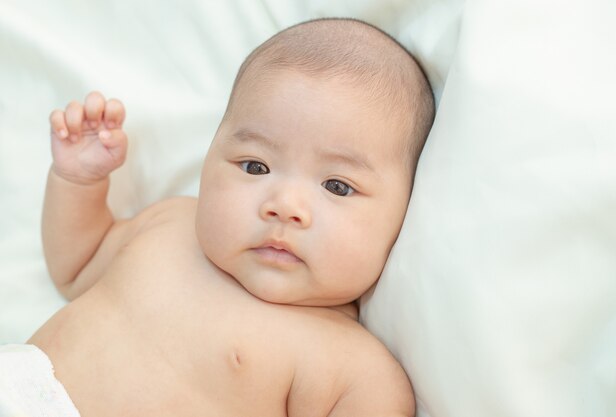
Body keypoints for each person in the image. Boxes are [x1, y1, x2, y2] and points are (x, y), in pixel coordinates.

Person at [2, 17, 434, 416]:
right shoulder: (169, 227)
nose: (284, 205)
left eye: (337, 186)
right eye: (255, 166)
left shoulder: (354, 371)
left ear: (404, 213)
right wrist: (78, 182)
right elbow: (75, 268)